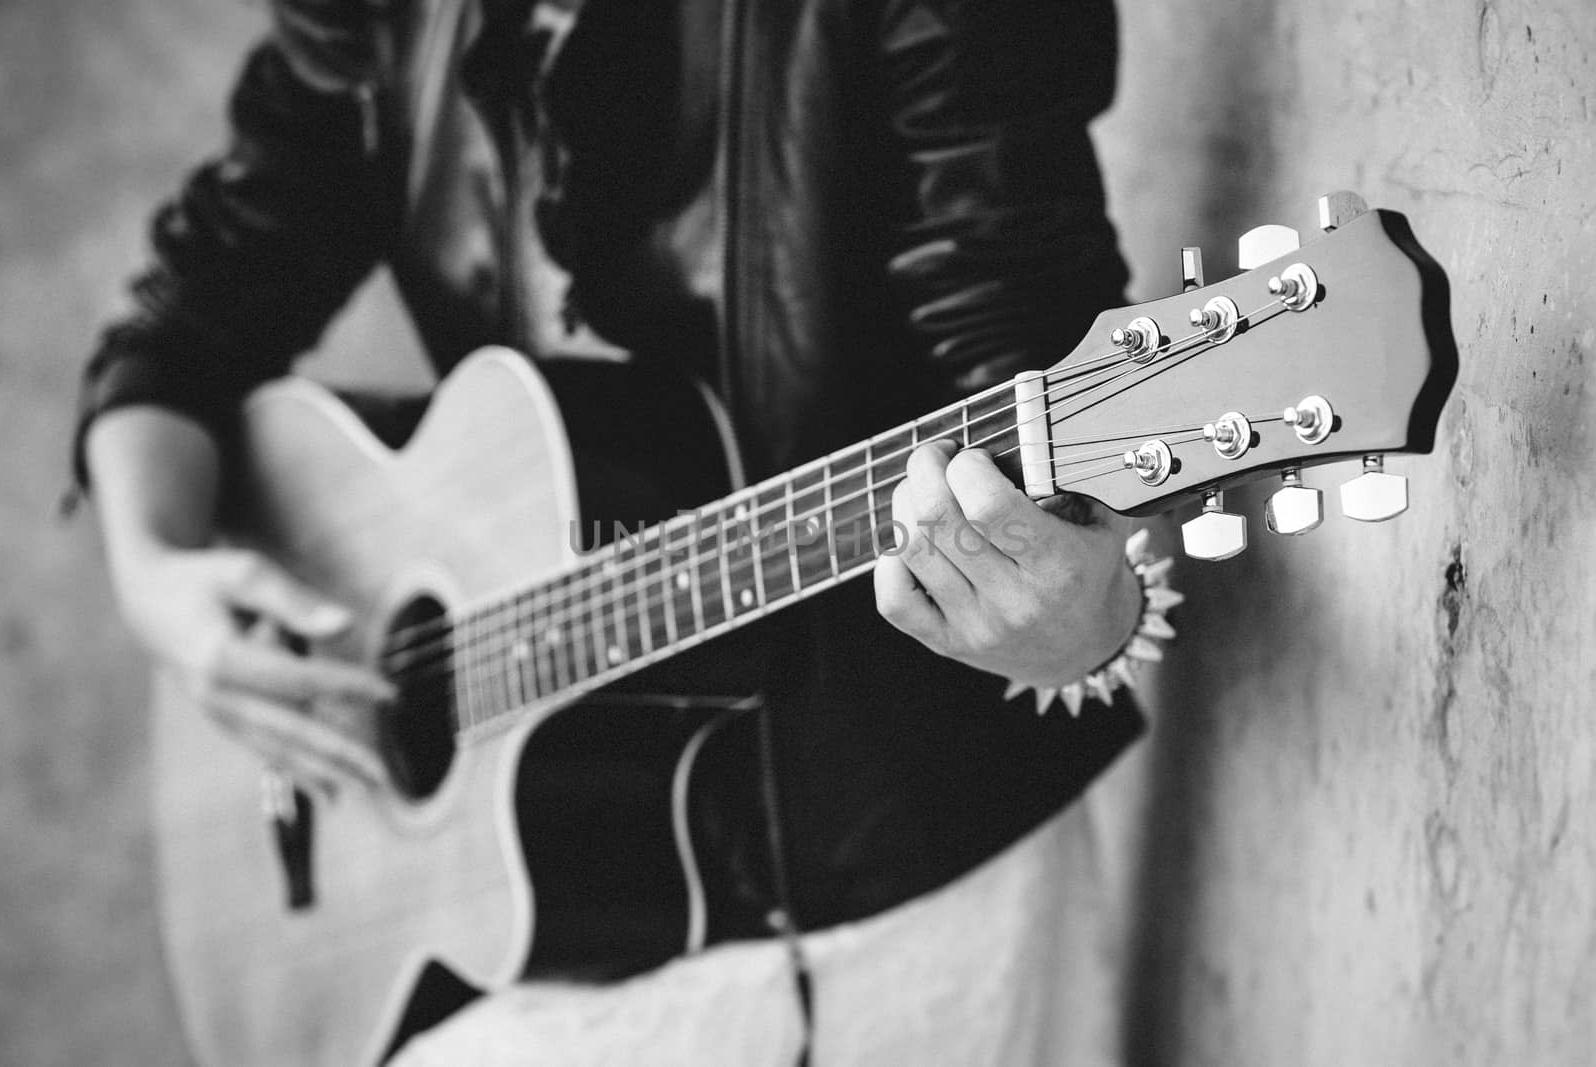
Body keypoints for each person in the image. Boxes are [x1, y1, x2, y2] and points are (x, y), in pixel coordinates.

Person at [74, 0, 1153, 1061]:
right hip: (564, 915)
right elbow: (191, 313)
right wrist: (156, 572)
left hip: (895, 860)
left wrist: (1080, 612)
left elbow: (1044, 393)